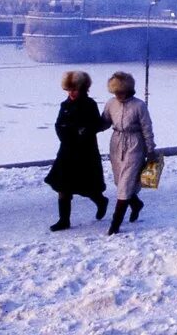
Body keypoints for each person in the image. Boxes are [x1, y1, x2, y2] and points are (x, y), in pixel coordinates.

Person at [44, 70, 109, 232]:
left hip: (85, 153)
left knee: (86, 187)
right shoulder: (64, 105)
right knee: (62, 187)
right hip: (66, 152)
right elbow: (58, 125)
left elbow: (95, 125)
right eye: (69, 90)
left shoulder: (90, 105)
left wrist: (82, 131)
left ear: (82, 89)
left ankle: (101, 201)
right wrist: (66, 137)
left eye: (74, 89)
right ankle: (64, 220)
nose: (71, 93)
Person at [102, 71, 157, 235]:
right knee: (120, 182)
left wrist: (150, 149)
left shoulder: (139, 106)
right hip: (116, 143)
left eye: (121, 91)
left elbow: (147, 128)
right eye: (115, 92)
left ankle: (115, 223)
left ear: (128, 90)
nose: (118, 95)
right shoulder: (111, 104)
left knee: (125, 184)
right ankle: (136, 204)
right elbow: (104, 121)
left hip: (135, 145)